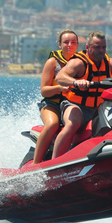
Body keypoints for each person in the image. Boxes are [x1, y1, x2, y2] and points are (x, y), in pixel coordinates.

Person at [53, 31, 112, 159]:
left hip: (99, 109)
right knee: (73, 123)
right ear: (88, 47)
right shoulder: (78, 63)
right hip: (75, 105)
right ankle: (53, 163)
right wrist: (76, 82)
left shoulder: (111, 64)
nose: (101, 50)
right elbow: (60, 77)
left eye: (104, 47)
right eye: (97, 47)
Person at [32, 29, 79, 164]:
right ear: (59, 45)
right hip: (51, 104)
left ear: (77, 45)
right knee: (52, 124)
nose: (69, 45)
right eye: (66, 42)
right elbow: (44, 91)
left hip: (72, 104)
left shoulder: (81, 62)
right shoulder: (53, 62)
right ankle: (36, 163)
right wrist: (59, 88)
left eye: (73, 42)